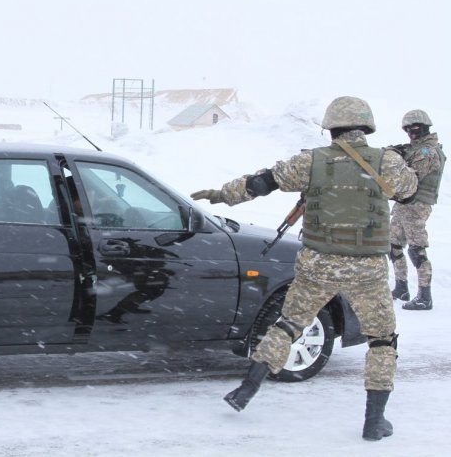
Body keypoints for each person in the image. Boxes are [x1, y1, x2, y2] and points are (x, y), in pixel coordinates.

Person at [190, 96, 418, 441]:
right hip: (366, 267)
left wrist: (222, 194)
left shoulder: (312, 161)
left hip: (318, 263)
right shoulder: (386, 161)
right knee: (382, 340)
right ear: (366, 127)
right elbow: (410, 192)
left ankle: (247, 388)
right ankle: (374, 421)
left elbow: (263, 182)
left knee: (288, 325)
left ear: (331, 128)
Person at [388, 110, 445, 310]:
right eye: (408, 129)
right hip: (404, 203)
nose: (411, 133)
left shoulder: (427, 151)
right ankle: (402, 287)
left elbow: (411, 178)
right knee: (393, 245)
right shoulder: (416, 148)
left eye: (415, 128)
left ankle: (424, 296)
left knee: (416, 250)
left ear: (424, 127)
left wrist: (397, 162)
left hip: (417, 204)